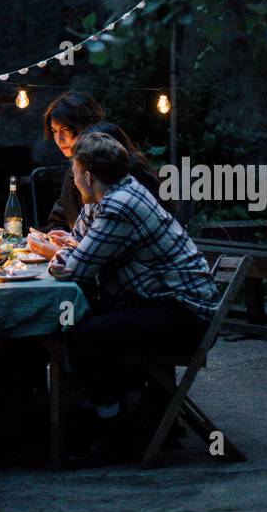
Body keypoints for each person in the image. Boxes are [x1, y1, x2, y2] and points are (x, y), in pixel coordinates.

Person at [49, 132, 219, 464]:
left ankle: (112, 433)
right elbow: (78, 244)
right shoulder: (107, 197)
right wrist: (68, 251)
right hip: (160, 301)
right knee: (80, 320)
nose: (72, 175)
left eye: (75, 167)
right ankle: (103, 419)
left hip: (184, 312)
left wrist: (63, 256)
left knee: (85, 335)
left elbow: (75, 269)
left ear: (88, 174)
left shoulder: (119, 205)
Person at [42, 92, 161, 230]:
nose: (59, 139)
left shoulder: (122, 170)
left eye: (65, 129)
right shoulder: (73, 174)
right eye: (54, 131)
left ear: (87, 125)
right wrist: (56, 237)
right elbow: (58, 222)